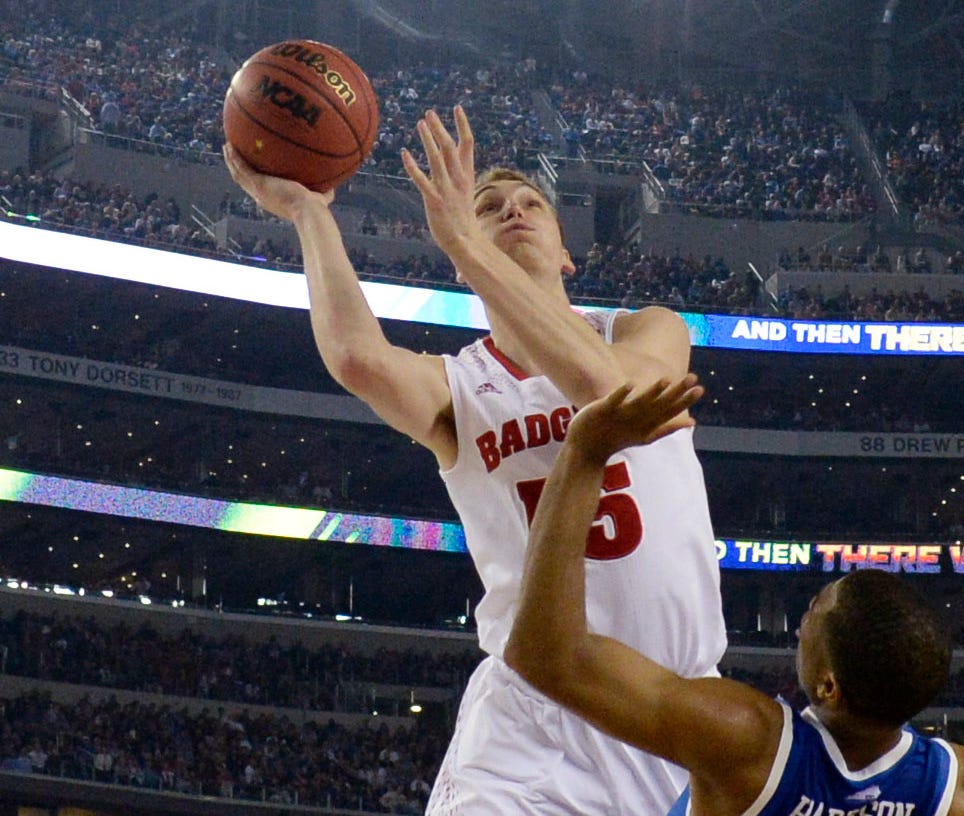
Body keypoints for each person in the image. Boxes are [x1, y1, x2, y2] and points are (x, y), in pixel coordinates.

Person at [223, 106, 725, 814]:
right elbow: (357, 357)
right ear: (465, 261)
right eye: (488, 208)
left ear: (565, 253)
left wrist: (468, 242)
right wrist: (309, 214)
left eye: (530, 205)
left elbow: (610, 395)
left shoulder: (648, 329)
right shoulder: (458, 385)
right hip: (531, 726)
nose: (511, 211)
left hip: (675, 715)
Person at [505, 377, 964, 816]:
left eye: (813, 613)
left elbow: (548, 655)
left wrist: (584, 453)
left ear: (830, 687)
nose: (799, 626)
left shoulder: (748, 741)